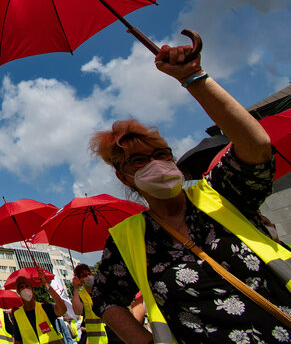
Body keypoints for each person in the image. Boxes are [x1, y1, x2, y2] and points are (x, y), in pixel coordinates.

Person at [90, 44, 291, 343]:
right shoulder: (128, 238)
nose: (156, 163)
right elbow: (105, 298)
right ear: (125, 176)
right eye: (140, 160)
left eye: (162, 154)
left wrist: (194, 77)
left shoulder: (220, 192)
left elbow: (256, 146)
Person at [11, 271, 68, 344]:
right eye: (21, 287)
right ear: (18, 292)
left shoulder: (45, 308)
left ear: (32, 289)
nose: (25, 289)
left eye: (27, 286)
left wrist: (46, 285)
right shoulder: (17, 315)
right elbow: (18, 340)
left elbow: (62, 309)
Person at [71, 264, 107, 343]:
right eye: (84, 276)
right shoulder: (80, 295)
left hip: (112, 334)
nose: (88, 277)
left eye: (88, 274)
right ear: (79, 279)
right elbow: (77, 311)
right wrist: (76, 288)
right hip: (96, 340)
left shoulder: (102, 289)